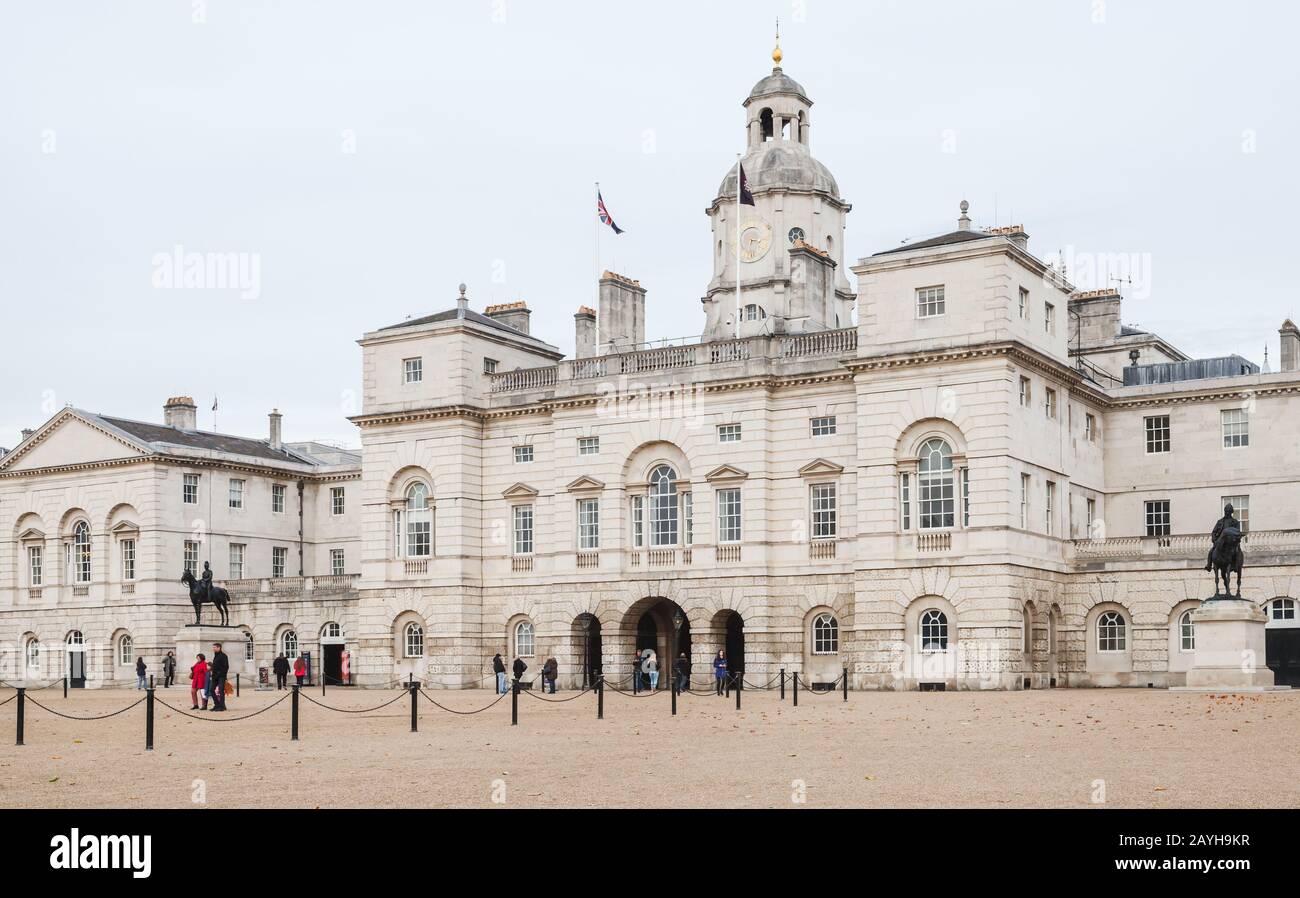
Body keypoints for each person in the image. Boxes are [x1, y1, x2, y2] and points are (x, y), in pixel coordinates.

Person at [1205, 503, 1240, 572]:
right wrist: (1214, 540)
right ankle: (1209, 565)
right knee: (1211, 551)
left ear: (1231, 512)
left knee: (1237, 551)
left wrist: (1234, 540)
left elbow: (1238, 532)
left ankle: (1236, 566)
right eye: (1226, 511)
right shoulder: (1220, 522)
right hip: (1220, 541)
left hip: (1231, 542)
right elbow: (1214, 532)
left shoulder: (1235, 522)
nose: (1227, 512)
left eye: (1228, 511)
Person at [208, 642, 229, 711]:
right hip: (215, 677)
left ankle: (222, 706)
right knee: (211, 690)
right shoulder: (216, 656)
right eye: (213, 647)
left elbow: (225, 667)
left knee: (221, 691)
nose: (213, 649)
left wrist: (220, 675)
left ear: (219, 648)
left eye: (214, 647)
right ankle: (217, 705)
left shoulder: (223, 656)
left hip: (221, 677)